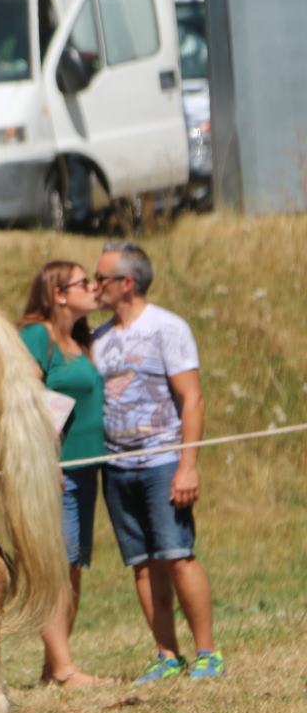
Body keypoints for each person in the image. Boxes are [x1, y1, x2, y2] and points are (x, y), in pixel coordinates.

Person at [91, 242, 222, 682]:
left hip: (162, 460)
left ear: (126, 284)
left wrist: (187, 464)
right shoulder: (98, 338)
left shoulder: (168, 328)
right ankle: (167, 653)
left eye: (101, 278)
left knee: (178, 555)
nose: (95, 286)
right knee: (143, 564)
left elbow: (192, 399)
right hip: (117, 467)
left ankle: (207, 653)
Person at [17, 260, 113, 688]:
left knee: (72, 568)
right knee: (57, 568)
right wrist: (45, 460)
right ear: (58, 293)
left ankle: (53, 666)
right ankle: (65, 669)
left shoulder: (79, 339)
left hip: (86, 469)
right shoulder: (37, 336)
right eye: (83, 282)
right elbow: (24, 398)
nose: (93, 288)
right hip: (54, 471)